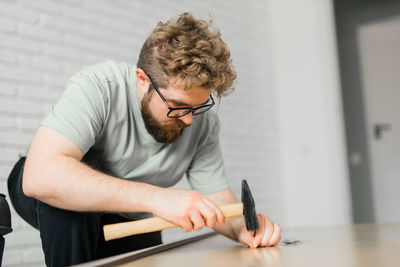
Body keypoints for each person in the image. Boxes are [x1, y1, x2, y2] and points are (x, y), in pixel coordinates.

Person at [7, 12, 281, 266]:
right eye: (177, 105)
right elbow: (40, 176)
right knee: (70, 194)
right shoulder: (99, 86)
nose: (188, 120)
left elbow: (217, 199)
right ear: (142, 79)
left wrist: (242, 226)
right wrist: (159, 198)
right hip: (46, 190)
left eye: (198, 107)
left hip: (126, 213)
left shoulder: (202, 122)